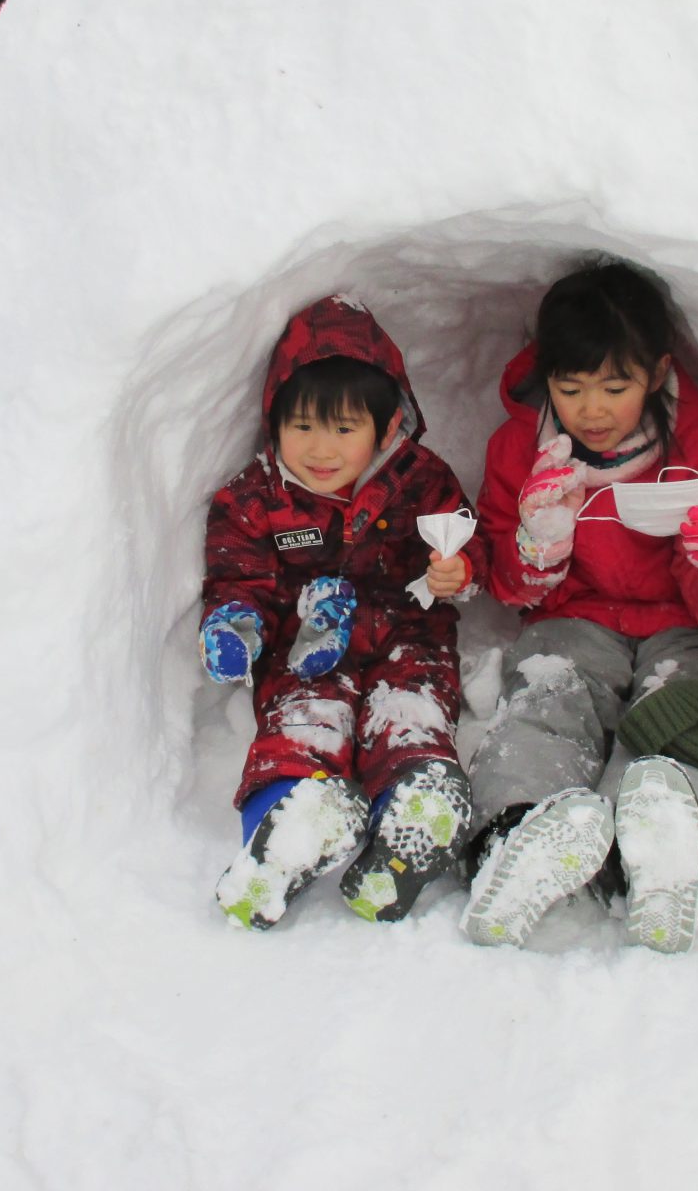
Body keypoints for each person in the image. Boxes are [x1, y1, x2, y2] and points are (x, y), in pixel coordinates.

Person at [460, 259, 698, 954]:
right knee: (545, 701)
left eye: (615, 387)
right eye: (571, 388)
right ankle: (515, 835)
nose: (592, 410)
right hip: (575, 620)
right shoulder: (520, 450)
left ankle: (676, 846)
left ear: (656, 374)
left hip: (693, 631)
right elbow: (510, 587)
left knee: (688, 722)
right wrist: (538, 546)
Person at [203, 295, 486, 929]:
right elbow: (237, 576)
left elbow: (468, 535)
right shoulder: (256, 497)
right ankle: (288, 828)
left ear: (386, 427)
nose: (320, 449)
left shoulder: (420, 479)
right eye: (302, 426)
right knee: (302, 720)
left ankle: (413, 814)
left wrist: (459, 568)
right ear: (275, 421)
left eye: (343, 429)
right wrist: (236, 623)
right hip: (306, 644)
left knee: (410, 710)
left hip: (407, 631)